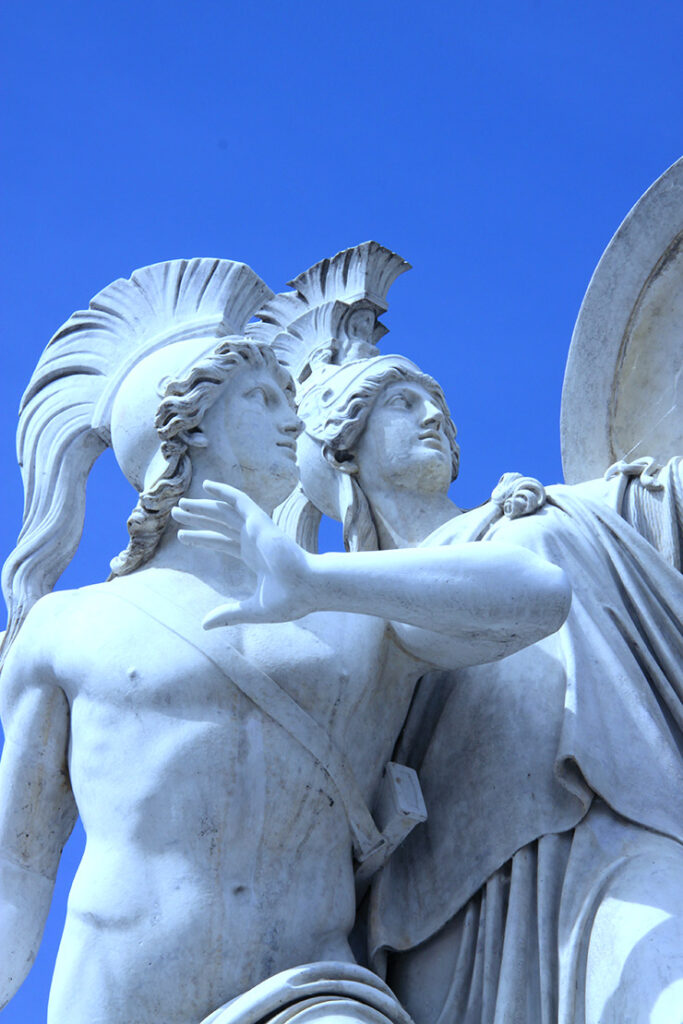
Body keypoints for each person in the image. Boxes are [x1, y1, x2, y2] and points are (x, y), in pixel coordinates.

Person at [0, 260, 570, 1024]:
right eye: (264, 398)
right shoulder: (67, 626)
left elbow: (538, 597)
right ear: (186, 425)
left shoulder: (351, 602)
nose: (293, 420)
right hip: (117, 993)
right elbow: (19, 868)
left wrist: (314, 582)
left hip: (311, 990)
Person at [281, 350, 683, 1024]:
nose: (433, 413)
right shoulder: (347, 626)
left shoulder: (552, 515)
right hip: (439, 909)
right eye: (400, 403)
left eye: (433, 399)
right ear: (343, 450)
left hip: (614, 833)